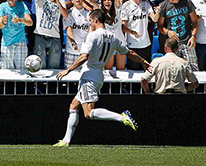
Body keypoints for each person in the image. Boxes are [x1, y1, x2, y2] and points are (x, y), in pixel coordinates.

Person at [54, 9, 152, 146]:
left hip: (89, 76)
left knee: (88, 113)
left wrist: (68, 70)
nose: (90, 24)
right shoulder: (113, 36)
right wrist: (143, 61)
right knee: (73, 106)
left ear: (95, 20)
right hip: (99, 75)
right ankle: (66, 140)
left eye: (90, 21)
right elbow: (129, 52)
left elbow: (84, 56)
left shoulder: (92, 36)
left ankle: (121, 117)